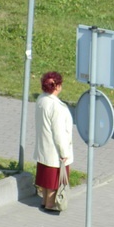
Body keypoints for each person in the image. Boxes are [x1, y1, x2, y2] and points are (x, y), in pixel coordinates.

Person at [34, 72, 73, 214]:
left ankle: (44, 202)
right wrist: (64, 153)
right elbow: (59, 133)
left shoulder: (41, 99)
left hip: (43, 147)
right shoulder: (57, 107)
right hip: (54, 150)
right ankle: (50, 205)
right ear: (57, 86)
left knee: (45, 178)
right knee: (53, 181)